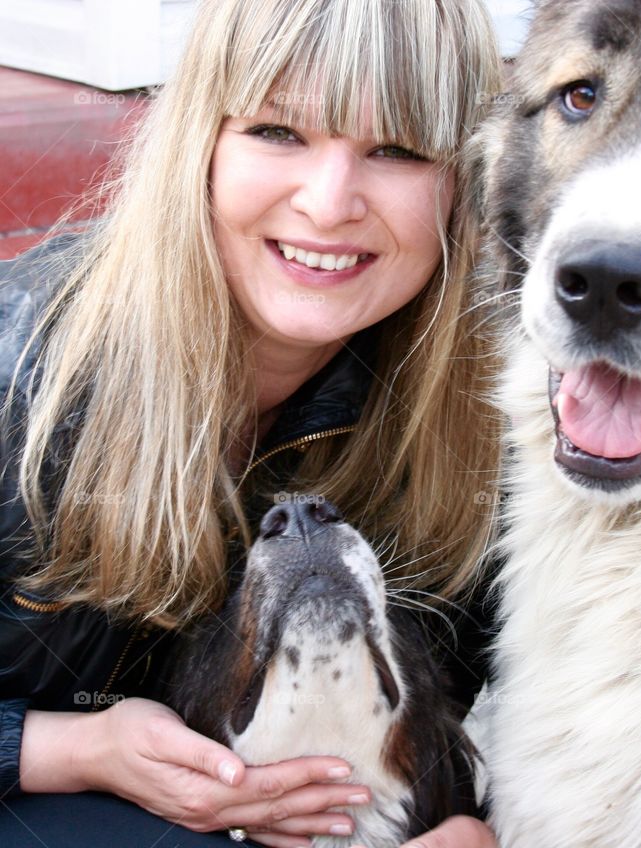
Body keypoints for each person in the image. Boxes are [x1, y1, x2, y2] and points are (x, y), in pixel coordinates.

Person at [0, 0, 503, 845]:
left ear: (464, 185)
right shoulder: (17, 368)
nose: (329, 204)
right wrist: (73, 749)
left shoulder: (492, 417)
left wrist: (477, 829)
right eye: (278, 133)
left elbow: (528, 699)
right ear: (199, 144)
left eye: (397, 150)